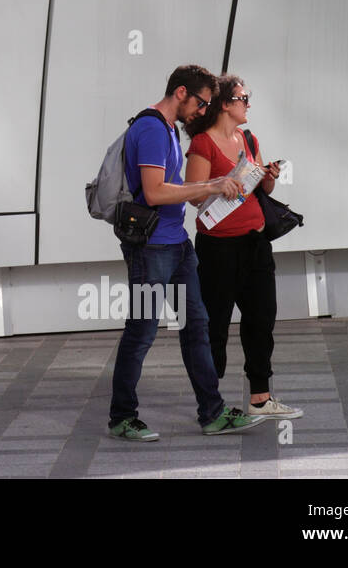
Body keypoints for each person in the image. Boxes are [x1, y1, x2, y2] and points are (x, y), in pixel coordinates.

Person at [108, 64, 268, 440]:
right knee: (142, 331)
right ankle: (121, 417)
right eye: (201, 103)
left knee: (197, 327)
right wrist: (209, 186)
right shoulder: (150, 128)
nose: (202, 111)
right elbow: (155, 192)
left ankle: (212, 413)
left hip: (177, 246)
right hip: (151, 251)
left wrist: (208, 187)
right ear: (181, 93)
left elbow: (169, 188)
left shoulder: (165, 130)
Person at [182, 74, 302, 419]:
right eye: (242, 97)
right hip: (218, 247)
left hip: (255, 242)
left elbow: (263, 190)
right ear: (224, 104)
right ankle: (213, 403)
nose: (248, 103)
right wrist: (220, 185)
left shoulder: (248, 137)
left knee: (262, 318)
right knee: (215, 324)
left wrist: (268, 176)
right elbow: (193, 194)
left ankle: (260, 399)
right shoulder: (203, 144)